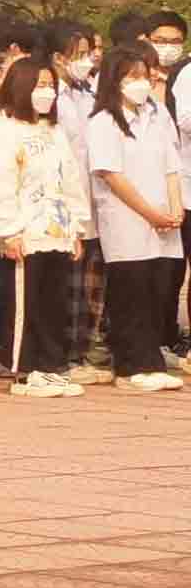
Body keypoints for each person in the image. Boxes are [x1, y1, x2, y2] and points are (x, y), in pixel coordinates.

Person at [0, 60, 88, 396]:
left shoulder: (54, 131)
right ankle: (25, 370)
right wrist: (6, 230)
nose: (47, 92)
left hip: (56, 230)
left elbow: (70, 179)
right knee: (26, 302)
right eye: (40, 84)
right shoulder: (6, 130)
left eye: (50, 85)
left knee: (53, 302)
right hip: (25, 233)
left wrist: (77, 227)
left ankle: (50, 365)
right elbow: (1, 182)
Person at [92, 45, 186, 389]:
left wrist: (174, 207)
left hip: (163, 219)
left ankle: (152, 360)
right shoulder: (103, 121)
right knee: (131, 292)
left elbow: (172, 164)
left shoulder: (158, 113)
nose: (141, 84)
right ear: (114, 80)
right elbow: (112, 175)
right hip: (129, 220)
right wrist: (150, 213)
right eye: (132, 77)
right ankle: (131, 366)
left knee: (157, 290)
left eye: (145, 76)